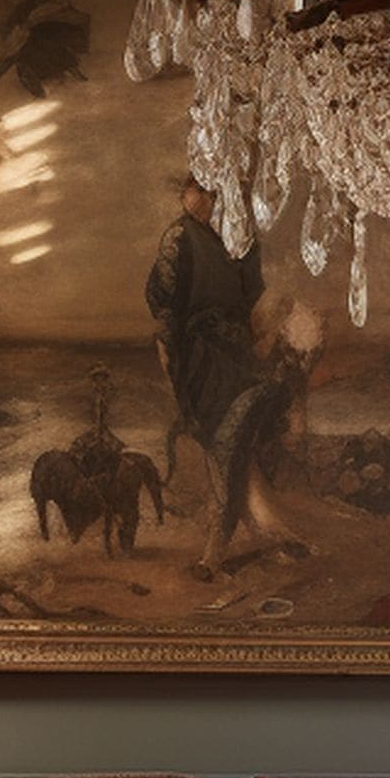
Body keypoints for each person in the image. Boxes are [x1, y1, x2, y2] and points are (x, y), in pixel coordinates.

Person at [146, 177, 298, 576]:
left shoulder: (240, 240)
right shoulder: (179, 237)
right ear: (185, 195)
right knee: (222, 440)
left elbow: (251, 294)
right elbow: (164, 303)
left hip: (237, 354)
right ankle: (223, 545)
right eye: (195, 191)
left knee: (238, 438)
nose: (201, 200)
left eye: (209, 193)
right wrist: (170, 357)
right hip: (199, 357)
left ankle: (247, 535)